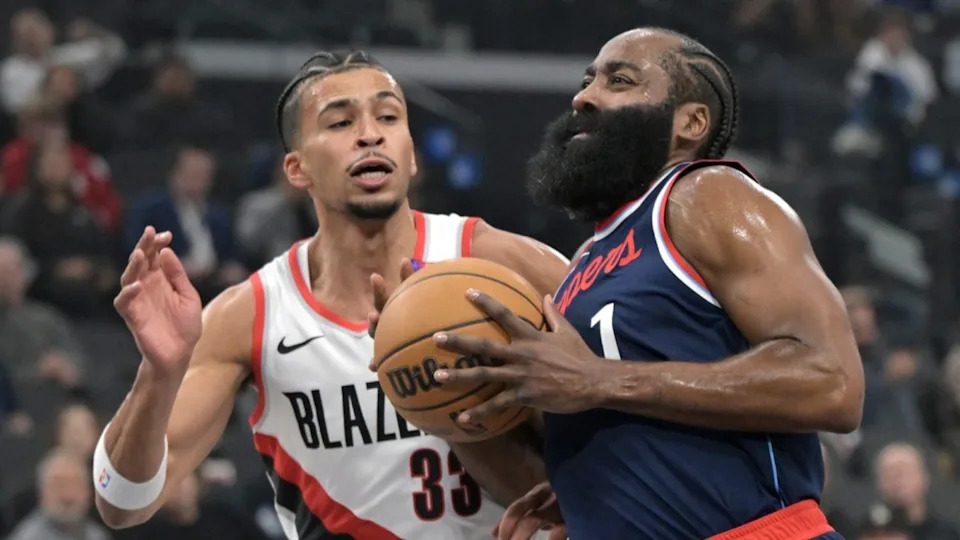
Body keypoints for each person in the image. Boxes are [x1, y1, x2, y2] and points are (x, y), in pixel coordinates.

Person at [91, 50, 567, 539]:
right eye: (340, 123)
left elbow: (619, 392)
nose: (369, 133)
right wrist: (158, 372)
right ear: (297, 170)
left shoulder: (503, 264)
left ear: (411, 154)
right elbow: (122, 502)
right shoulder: (252, 313)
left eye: (388, 116)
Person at [429, 28, 864, 539]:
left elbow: (832, 383)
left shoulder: (707, 195)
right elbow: (604, 399)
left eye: (620, 81)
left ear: (691, 122)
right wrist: (585, 483)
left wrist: (602, 380)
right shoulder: (588, 261)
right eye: (588, 79)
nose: (584, 96)